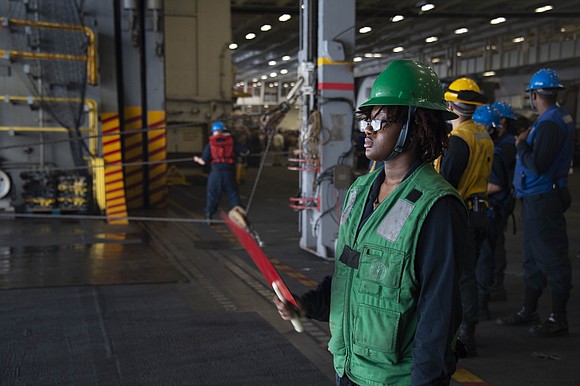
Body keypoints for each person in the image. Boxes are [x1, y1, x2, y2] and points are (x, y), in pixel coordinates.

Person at [274, 59, 467, 385]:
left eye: (379, 123)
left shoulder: (437, 207)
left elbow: (439, 313)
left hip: (398, 379)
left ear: (412, 126)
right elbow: (350, 270)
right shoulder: (360, 191)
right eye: (366, 120)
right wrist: (306, 305)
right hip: (349, 369)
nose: (366, 130)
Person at [497, 68, 574, 337]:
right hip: (536, 199)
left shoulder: (550, 122)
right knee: (532, 256)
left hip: (543, 199)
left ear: (533, 95)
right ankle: (529, 310)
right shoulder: (555, 117)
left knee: (552, 258)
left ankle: (558, 317)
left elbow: (538, 164)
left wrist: (520, 145)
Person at [434, 77, 494, 356]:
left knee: (461, 276)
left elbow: (446, 181)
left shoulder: (458, 141)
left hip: (464, 214)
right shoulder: (482, 134)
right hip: (483, 210)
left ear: (450, 104)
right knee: (469, 273)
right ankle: (467, 325)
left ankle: (466, 332)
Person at [472, 104, 515, 320]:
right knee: (490, 253)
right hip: (495, 208)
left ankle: (481, 303)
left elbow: (497, 184)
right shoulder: (495, 146)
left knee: (485, 257)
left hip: (491, 209)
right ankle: (486, 295)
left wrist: (471, 188)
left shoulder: (496, 151)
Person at [488, 101, 518, 302]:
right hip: (502, 202)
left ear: (503, 121)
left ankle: (496, 287)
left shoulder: (505, 147)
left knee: (495, 245)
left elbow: (498, 184)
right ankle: (495, 285)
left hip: (499, 203)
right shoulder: (506, 142)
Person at [193, 121, 249, 223]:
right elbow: (245, 152)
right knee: (233, 194)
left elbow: (203, 161)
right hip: (229, 173)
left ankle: (209, 216)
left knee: (213, 195)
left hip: (216, 174)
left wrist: (196, 159)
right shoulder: (231, 141)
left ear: (213, 132)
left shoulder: (211, 143)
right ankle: (241, 216)